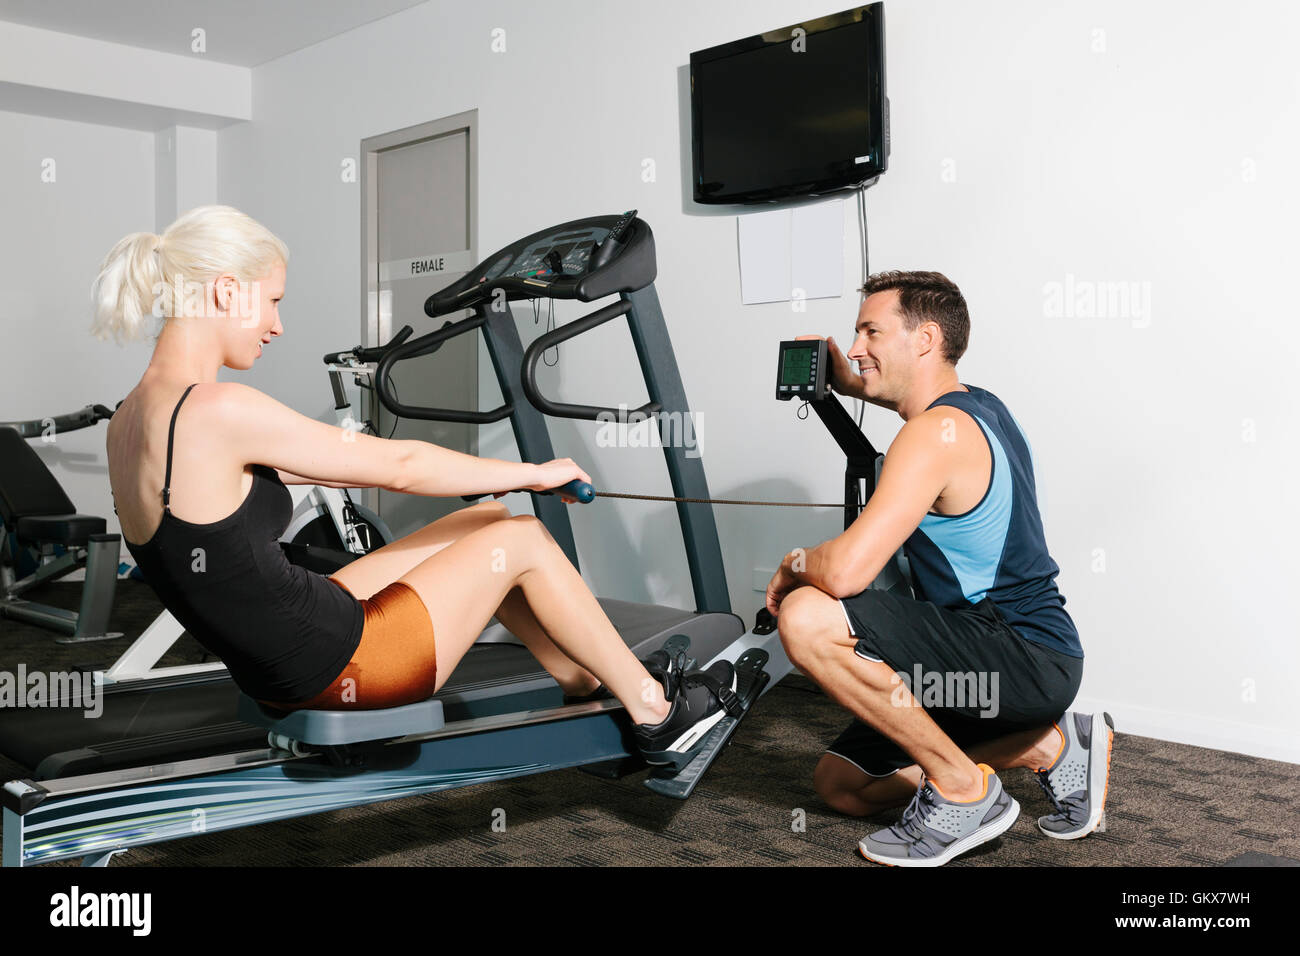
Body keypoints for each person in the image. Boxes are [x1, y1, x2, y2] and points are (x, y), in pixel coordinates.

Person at [93, 204, 732, 769]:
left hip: (278, 660)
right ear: (229, 292)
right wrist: (537, 474)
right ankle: (657, 713)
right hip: (338, 664)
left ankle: (579, 676)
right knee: (526, 540)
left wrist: (504, 484)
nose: (277, 324)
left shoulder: (130, 417)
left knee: (484, 523)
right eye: (274, 300)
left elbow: (329, 467)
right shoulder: (219, 410)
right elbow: (401, 467)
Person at [768, 271, 1112, 867]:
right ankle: (1048, 745)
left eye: (871, 332)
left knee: (806, 615)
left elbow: (845, 573)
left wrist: (791, 564)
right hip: (988, 657)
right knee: (842, 785)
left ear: (925, 338)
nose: (855, 348)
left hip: (1019, 652)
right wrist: (845, 376)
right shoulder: (975, 407)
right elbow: (899, 391)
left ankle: (963, 791)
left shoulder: (931, 436)